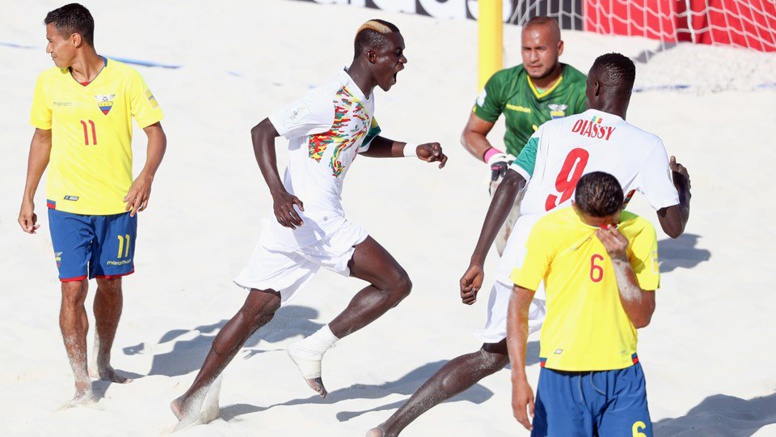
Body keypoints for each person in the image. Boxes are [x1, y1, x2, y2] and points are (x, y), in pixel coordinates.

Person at [367, 52, 690, 437]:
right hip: (579, 267)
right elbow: (673, 225)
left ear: (595, 88)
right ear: (628, 94)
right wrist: (682, 185)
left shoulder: (551, 130)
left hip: (526, 253)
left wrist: (478, 258)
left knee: (489, 357)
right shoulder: (647, 144)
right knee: (598, 360)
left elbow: (510, 183)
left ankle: (389, 427)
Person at [170, 19, 447, 427]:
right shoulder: (328, 98)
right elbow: (262, 130)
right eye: (397, 54)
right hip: (313, 218)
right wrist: (278, 193)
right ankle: (312, 348)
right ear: (372, 56)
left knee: (257, 310)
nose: (402, 62)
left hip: (293, 223)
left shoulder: (364, 98)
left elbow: (363, 141)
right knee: (396, 283)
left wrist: (412, 151)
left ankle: (190, 400)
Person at [17, 3, 167, 402]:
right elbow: (42, 139)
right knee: (72, 290)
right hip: (65, 204)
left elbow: (156, 134)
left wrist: (145, 177)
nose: (48, 49)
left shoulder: (126, 79)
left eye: (52, 41)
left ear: (75, 39)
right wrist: (27, 196)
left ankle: (104, 359)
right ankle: (82, 381)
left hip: (118, 205)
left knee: (111, 283)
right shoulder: (48, 84)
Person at [508, 171, 656, 436]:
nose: (604, 232)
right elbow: (519, 303)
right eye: (595, 225)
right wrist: (518, 378)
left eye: (611, 223)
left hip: (622, 373)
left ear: (622, 205)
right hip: (561, 375)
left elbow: (642, 318)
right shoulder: (549, 229)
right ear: (575, 207)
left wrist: (620, 260)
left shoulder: (640, 230)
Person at [460, 16, 587, 255]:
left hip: (562, 181)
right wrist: (493, 156)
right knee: (512, 258)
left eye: (540, 49)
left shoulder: (581, 88)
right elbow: (471, 133)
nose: (532, 57)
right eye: (526, 49)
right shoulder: (504, 82)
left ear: (559, 48)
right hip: (516, 175)